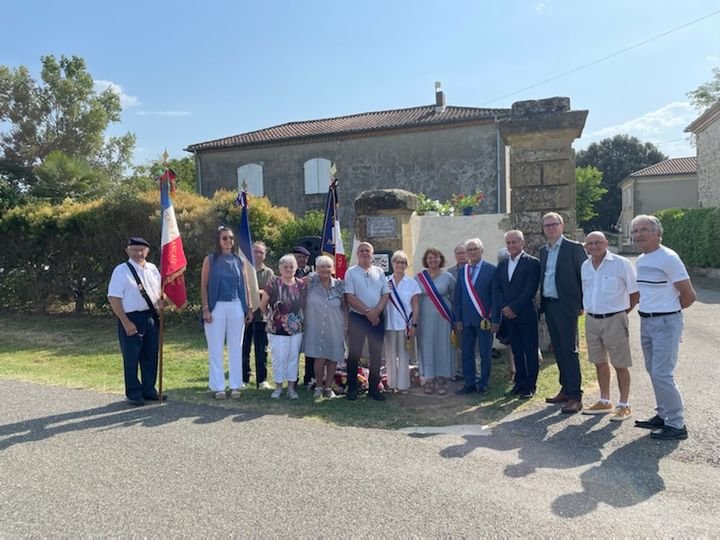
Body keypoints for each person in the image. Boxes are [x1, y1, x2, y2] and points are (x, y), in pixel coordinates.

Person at [631, 215, 696, 440]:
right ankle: (663, 415)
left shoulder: (669, 258)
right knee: (653, 371)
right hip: (646, 321)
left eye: (644, 230)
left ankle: (677, 425)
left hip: (666, 322)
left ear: (658, 233)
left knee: (662, 373)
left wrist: (667, 311)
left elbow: (689, 296)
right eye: (635, 230)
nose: (638, 234)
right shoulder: (641, 259)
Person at [580, 231, 639, 421]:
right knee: (599, 362)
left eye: (598, 242)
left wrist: (621, 314)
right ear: (586, 246)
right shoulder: (585, 266)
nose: (594, 246)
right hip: (592, 319)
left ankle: (624, 404)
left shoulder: (621, 264)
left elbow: (635, 294)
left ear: (606, 243)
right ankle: (604, 401)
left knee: (620, 363)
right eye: (590, 244)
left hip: (615, 318)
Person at [539, 212, 587, 414]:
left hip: (567, 306)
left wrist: (582, 304)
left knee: (569, 349)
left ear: (562, 225)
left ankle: (575, 395)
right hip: (550, 305)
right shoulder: (544, 251)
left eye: (554, 224)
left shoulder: (574, 248)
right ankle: (565, 389)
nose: (550, 228)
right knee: (557, 349)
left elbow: (584, 277)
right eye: (547, 225)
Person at [108, 237, 164, 406]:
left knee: (151, 355)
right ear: (127, 251)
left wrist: (163, 301)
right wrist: (125, 322)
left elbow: (159, 292)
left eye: (142, 250)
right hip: (131, 317)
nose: (138, 253)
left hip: (150, 317)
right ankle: (133, 392)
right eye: (134, 250)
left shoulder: (152, 269)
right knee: (132, 357)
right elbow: (114, 297)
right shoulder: (121, 271)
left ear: (147, 251)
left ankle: (149, 390)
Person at [200, 227, 252, 400]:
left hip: (236, 306)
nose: (228, 241)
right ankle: (218, 386)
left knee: (235, 347)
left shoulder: (239, 261)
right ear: (218, 240)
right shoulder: (210, 260)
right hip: (216, 307)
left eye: (230, 238)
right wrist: (206, 308)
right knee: (215, 348)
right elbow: (204, 286)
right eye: (224, 238)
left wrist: (249, 307)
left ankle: (236, 385)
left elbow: (244, 286)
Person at [493, 230, 541, 399]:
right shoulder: (503, 264)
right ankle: (519, 383)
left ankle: (530, 385)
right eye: (509, 243)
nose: (511, 245)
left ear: (522, 243)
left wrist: (514, 307)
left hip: (525, 313)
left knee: (530, 350)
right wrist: (504, 307)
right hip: (508, 315)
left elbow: (530, 290)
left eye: (515, 242)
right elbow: (497, 288)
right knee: (517, 350)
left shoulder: (532, 263)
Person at [344, 242, 390, 401]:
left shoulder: (379, 272)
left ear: (372, 254)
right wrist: (367, 312)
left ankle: (374, 389)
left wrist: (376, 311)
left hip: (377, 318)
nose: (364, 253)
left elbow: (385, 294)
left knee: (376, 355)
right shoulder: (351, 272)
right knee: (354, 354)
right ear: (357, 254)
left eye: (367, 251)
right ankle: (352, 388)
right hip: (358, 317)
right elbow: (349, 296)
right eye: (361, 250)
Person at [454, 238, 499, 395]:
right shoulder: (462, 272)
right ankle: (470, 382)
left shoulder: (491, 270)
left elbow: (495, 297)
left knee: (485, 352)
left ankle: (483, 383)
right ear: (466, 253)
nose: (472, 252)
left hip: (484, 320)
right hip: (466, 320)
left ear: (481, 250)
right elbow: (458, 297)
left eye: (475, 249)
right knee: (467, 352)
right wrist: (457, 319)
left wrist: (495, 320)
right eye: (469, 250)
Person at [260, 254, 307, 399]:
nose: (288, 269)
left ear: (295, 268)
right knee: (279, 357)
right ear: (280, 268)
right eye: (285, 266)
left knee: (293, 357)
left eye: (291, 266)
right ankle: (278, 387)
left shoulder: (301, 284)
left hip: (296, 328)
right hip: (276, 328)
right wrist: (272, 317)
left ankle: (291, 388)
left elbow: (304, 305)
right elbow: (263, 305)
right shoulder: (273, 282)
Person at [303, 255, 346, 399]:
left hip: (335, 326)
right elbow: (296, 285)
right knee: (320, 358)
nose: (325, 269)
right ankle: (319, 387)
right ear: (317, 269)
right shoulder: (311, 284)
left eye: (328, 266)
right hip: (316, 327)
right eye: (322, 267)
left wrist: (346, 325)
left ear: (333, 269)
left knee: (333, 358)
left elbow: (345, 307)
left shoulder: (339, 286)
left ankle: (328, 388)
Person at [415, 247, 456, 395]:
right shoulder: (419, 278)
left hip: (443, 317)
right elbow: (414, 299)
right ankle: (429, 379)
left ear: (441, 259)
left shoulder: (448, 277)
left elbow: (455, 296)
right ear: (426, 260)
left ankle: (442, 379)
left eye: (436, 257)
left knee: (442, 346)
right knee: (426, 345)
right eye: (430, 258)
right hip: (424, 317)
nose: (433, 260)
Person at [384, 250, 420, 394]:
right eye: (397, 262)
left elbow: (416, 305)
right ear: (392, 264)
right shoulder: (385, 281)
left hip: (405, 325)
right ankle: (391, 384)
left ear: (406, 265)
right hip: (389, 324)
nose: (400, 264)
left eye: (403, 262)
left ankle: (403, 385)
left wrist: (414, 325)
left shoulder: (411, 283)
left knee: (404, 356)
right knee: (390, 355)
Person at [242, 241, 274, 390]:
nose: (257, 254)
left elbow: (271, 292)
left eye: (260, 252)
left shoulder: (269, 273)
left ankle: (262, 380)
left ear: (265, 255)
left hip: (262, 316)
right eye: (255, 251)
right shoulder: (244, 270)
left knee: (261, 350)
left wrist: (257, 293)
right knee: (244, 348)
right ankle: (244, 378)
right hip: (245, 316)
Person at [292, 245, 313, 386]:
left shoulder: (311, 272)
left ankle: (309, 378)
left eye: (304, 258)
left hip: (310, 313)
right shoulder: (289, 271)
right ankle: (293, 378)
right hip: (294, 314)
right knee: (294, 349)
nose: (302, 260)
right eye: (299, 257)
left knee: (310, 347)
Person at [448, 243, 467, 380]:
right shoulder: (450, 273)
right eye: (458, 253)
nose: (461, 255)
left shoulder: (472, 269)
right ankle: (460, 371)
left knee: (473, 346)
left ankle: (473, 372)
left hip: (473, 312)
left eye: (463, 252)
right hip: (456, 314)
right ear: (455, 256)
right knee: (458, 344)